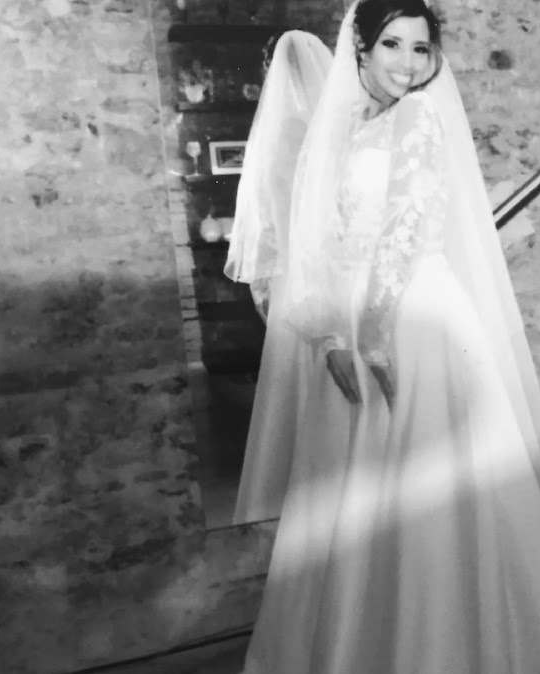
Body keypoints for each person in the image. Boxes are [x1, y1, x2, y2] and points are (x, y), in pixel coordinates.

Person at [240, 0, 540, 671]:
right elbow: (322, 238)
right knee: (362, 496)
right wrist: (331, 335)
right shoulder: (350, 125)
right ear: (360, 48)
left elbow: (405, 228)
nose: (409, 64)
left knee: (427, 497)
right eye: (392, 44)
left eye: (420, 48)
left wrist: (373, 334)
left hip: (410, 319)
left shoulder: (420, 115)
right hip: (356, 321)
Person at [225, 30, 333, 525]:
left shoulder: (274, 135)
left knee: (300, 385)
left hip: (295, 278)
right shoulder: (333, 130)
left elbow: (263, 222)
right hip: (335, 273)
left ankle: (303, 495)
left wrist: (265, 287)